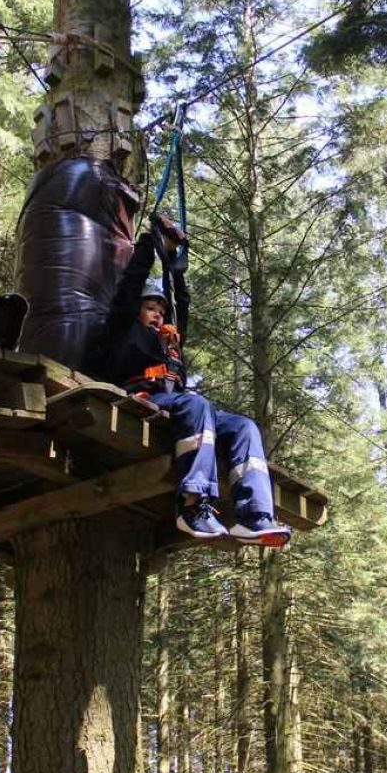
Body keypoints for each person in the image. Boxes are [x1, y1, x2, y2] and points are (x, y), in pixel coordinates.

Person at [100, 214, 291, 547]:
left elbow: (181, 305)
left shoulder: (170, 344)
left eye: (161, 310)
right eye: (150, 308)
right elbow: (131, 284)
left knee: (244, 427)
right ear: (136, 310)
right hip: (144, 398)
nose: (158, 314)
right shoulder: (124, 329)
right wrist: (151, 242)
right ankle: (192, 505)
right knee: (196, 404)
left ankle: (254, 516)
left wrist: (176, 267)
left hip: (180, 406)